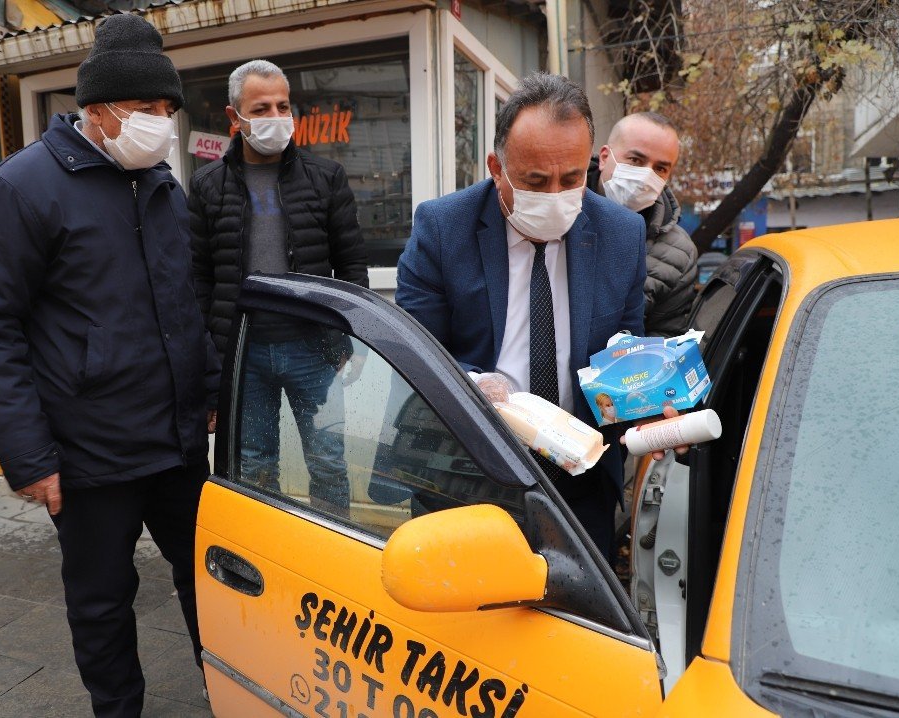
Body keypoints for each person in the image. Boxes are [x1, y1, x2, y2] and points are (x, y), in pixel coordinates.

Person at [0, 14, 219, 717]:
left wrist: (207, 387)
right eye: (145, 111)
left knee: (210, 579)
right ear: (96, 111)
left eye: (168, 110)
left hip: (177, 441)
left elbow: (183, 298)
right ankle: (117, 709)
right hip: (88, 452)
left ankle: (226, 689)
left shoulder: (160, 182)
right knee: (102, 602)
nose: (161, 124)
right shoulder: (22, 188)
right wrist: (29, 456)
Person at [396, 72, 648, 562]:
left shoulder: (622, 234)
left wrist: (650, 397)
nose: (555, 194)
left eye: (572, 179)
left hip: (580, 485)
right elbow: (415, 354)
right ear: (497, 167)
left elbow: (626, 349)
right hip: (466, 473)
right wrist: (476, 385)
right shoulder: (443, 228)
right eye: (535, 181)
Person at [187, 59, 368, 517]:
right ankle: (263, 561)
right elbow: (199, 278)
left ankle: (332, 557)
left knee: (327, 462)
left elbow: (350, 263)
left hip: (314, 351)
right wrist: (211, 359)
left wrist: (351, 338)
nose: (275, 116)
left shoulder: (325, 177)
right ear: (235, 118)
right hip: (242, 355)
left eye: (283, 106)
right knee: (252, 467)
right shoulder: (208, 185)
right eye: (261, 107)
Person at [587, 112, 697, 337]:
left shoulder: (679, 254)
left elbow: (663, 339)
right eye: (635, 160)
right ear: (606, 157)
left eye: (660, 168)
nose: (646, 175)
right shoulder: (559, 210)